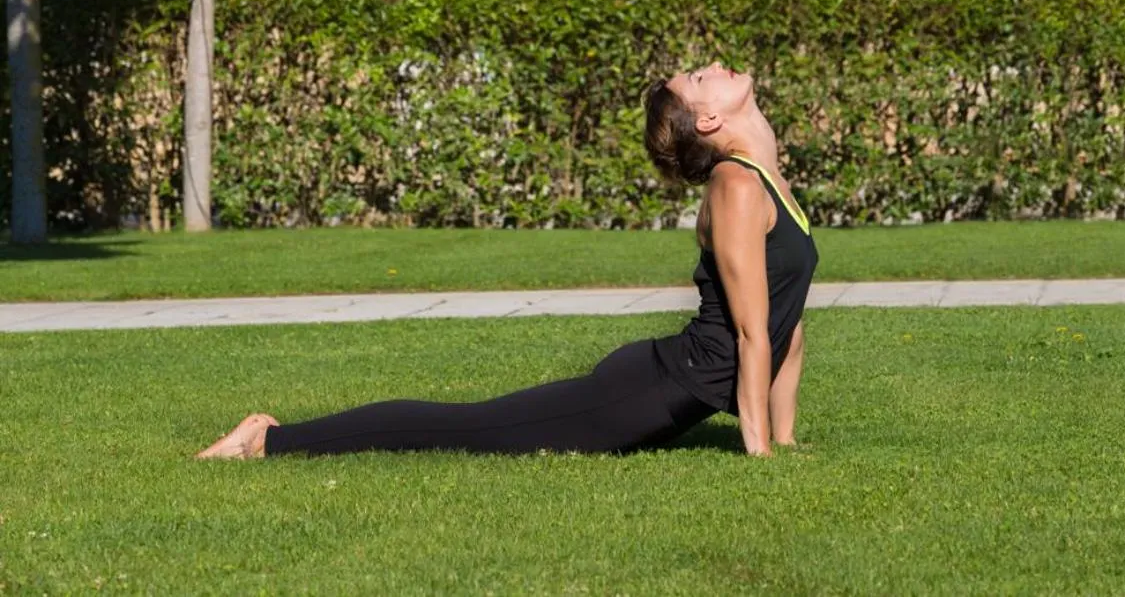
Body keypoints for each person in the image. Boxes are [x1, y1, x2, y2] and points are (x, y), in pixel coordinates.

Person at [196, 62, 818, 460]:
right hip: (644, 393)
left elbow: (786, 330)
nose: (711, 67)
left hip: (666, 387)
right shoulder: (737, 186)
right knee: (463, 429)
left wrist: (785, 442)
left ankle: (273, 439)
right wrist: (759, 456)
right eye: (698, 77)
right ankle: (270, 440)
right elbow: (748, 332)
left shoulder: (764, 180)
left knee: (469, 428)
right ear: (709, 119)